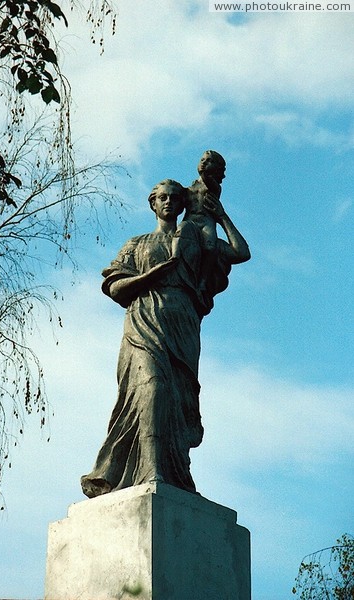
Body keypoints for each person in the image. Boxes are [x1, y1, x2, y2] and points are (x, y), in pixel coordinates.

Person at [81, 178, 250, 498]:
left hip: (182, 327)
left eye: (175, 197)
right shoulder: (136, 244)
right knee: (152, 388)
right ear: (153, 203)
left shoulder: (195, 243)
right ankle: (152, 468)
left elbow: (241, 252)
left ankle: (174, 471)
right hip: (143, 326)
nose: (169, 202)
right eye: (163, 197)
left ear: (183, 204)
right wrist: (152, 275)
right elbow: (116, 289)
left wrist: (222, 215)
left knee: (175, 400)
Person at [172, 150, 227, 291]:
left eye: (209, 161)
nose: (204, 162)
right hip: (190, 220)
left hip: (206, 222)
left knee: (210, 247)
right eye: (202, 160)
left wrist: (205, 173)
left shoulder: (214, 187)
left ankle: (202, 281)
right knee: (180, 234)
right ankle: (174, 259)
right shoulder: (189, 188)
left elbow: (208, 180)